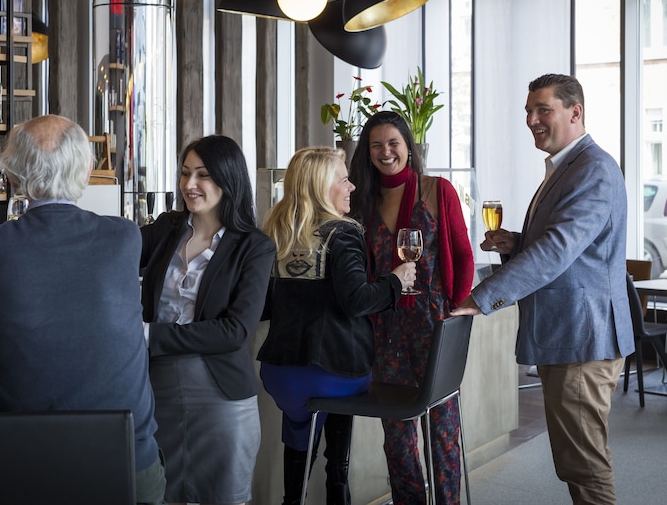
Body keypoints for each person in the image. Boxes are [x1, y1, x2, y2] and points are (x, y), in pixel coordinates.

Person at [0, 114, 166, 504]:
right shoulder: (124, 237)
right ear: (87, 169)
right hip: (129, 463)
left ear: (12, 176)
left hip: (26, 465)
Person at [452, 73, 633, 505]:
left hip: (583, 339)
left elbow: (557, 250)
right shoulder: (567, 166)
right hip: (571, 337)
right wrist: (516, 243)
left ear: (575, 112)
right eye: (529, 111)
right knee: (576, 461)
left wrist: (482, 297)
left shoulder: (592, 169)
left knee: (584, 465)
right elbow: (574, 249)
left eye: (543, 110)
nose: (532, 120)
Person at [258, 146, 415, 505]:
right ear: (320, 186)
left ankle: (293, 498)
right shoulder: (343, 233)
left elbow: (263, 307)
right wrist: (395, 280)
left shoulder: (276, 232)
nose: (352, 187)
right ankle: (337, 486)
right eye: (343, 180)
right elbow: (357, 300)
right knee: (338, 394)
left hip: (280, 374)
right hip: (337, 374)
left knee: (302, 418)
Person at [140, 134, 275, 505]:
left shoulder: (254, 246)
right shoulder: (166, 228)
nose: (189, 184)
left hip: (221, 398)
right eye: (185, 173)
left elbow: (235, 331)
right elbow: (112, 252)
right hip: (157, 393)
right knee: (159, 496)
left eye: (203, 174)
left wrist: (150, 335)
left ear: (228, 179)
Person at [348, 110, 475, 505]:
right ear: (367, 153)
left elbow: (463, 254)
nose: (386, 152)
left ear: (408, 147)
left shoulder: (438, 190)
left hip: (434, 324)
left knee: (443, 429)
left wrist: (458, 309)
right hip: (384, 330)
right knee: (397, 436)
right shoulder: (362, 201)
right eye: (376, 145)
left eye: (393, 143)